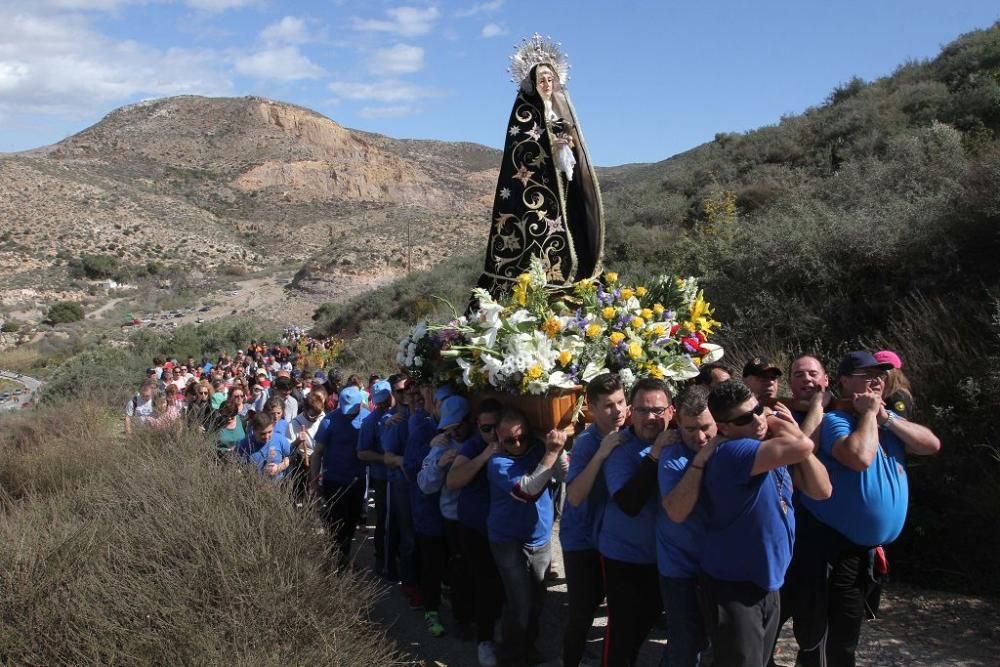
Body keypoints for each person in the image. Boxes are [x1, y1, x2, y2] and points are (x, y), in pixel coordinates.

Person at [789, 352, 940, 667]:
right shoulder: (835, 420)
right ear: (844, 381)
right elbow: (858, 456)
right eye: (866, 373)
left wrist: (884, 418)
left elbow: (931, 444)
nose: (877, 380)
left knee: (846, 636)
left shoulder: (888, 423)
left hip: (861, 550)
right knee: (817, 631)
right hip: (830, 546)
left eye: (881, 375)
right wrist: (870, 416)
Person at [702, 380, 831, 667]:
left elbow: (822, 490)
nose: (757, 420)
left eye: (758, 410)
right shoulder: (733, 452)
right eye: (745, 418)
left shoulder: (767, 451)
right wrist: (782, 423)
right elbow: (803, 445)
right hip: (735, 588)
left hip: (768, 583)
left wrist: (792, 437)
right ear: (723, 428)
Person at [476, 35, 603, 296]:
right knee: (540, 236)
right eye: (541, 80)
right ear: (533, 83)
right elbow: (521, 147)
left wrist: (568, 142)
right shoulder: (525, 113)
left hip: (564, 184)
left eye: (550, 79)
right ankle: (543, 285)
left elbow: (575, 144)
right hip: (538, 188)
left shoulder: (561, 109)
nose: (546, 84)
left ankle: (577, 278)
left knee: (574, 224)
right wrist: (550, 144)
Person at [599, 377, 674, 667]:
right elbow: (629, 503)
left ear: (671, 411)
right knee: (622, 634)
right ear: (631, 411)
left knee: (646, 624)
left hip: (663, 559)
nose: (650, 417)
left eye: (657, 409)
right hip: (624, 558)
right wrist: (655, 456)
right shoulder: (620, 448)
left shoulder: (683, 441)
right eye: (642, 410)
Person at [487, 409, 568, 666]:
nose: (518, 444)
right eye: (510, 440)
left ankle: (528, 647)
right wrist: (551, 452)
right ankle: (510, 657)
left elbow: (565, 475)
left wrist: (556, 446)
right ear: (499, 439)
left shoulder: (537, 449)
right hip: (508, 540)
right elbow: (527, 491)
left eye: (522, 437)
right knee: (520, 603)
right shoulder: (498, 463)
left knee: (537, 600)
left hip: (540, 537)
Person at [561, 372, 628, 667]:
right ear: (592, 408)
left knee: (615, 608)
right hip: (581, 540)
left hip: (610, 539)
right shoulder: (587, 443)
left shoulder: (629, 432)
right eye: (608, 406)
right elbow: (574, 496)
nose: (617, 411)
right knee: (582, 612)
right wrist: (601, 454)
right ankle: (570, 661)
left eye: (621, 402)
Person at [657, 386, 718, 667]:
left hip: (718, 565)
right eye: (690, 429)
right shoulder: (672, 453)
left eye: (706, 427)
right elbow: (677, 512)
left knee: (707, 639)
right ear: (677, 423)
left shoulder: (731, 444)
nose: (700, 437)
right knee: (685, 641)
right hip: (679, 567)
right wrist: (701, 462)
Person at [447, 397, 506, 667]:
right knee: (483, 584)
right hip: (476, 529)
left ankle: (499, 628)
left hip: (506, 532)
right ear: (477, 426)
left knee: (504, 585)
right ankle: (484, 639)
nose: (493, 434)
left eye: (498, 427)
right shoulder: (472, 447)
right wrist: (485, 455)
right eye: (486, 428)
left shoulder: (515, 443)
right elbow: (454, 479)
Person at [418, 395, 477, 641]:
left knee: (475, 569)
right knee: (456, 568)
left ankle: (475, 615)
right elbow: (425, 484)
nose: (454, 432)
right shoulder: (442, 444)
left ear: (469, 421)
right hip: (451, 517)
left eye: (458, 426)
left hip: (478, 518)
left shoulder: (481, 439)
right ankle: (458, 618)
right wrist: (439, 464)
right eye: (449, 427)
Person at [311, 385, 368, 569]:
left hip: (357, 479)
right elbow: (317, 452)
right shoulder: (329, 421)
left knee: (352, 520)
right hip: (334, 480)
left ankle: (344, 554)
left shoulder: (367, 418)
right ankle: (337, 561)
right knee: (336, 522)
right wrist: (314, 479)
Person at [357, 379, 395, 579]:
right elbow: (362, 453)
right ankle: (382, 559)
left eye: (386, 399)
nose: (384, 404)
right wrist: (383, 459)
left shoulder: (400, 416)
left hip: (400, 478)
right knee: (383, 519)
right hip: (382, 478)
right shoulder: (370, 422)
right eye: (380, 401)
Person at [234, 410, 293, 482]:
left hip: (278, 486)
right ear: (254, 430)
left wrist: (279, 467)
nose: (267, 436)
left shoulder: (280, 440)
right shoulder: (244, 444)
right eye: (262, 434)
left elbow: (290, 456)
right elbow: (237, 466)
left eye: (270, 432)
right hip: (253, 486)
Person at [787, 354, 831, 440]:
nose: (806, 378)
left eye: (813, 374)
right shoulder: (780, 416)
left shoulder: (841, 415)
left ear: (826, 379)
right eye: (799, 375)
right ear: (790, 383)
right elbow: (801, 451)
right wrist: (817, 405)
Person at [874, 349, 914, 420]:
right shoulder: (885, 393)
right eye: (874, 373)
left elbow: (900, 425)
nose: (877, 378)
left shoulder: (898, 396)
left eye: (882, 373)